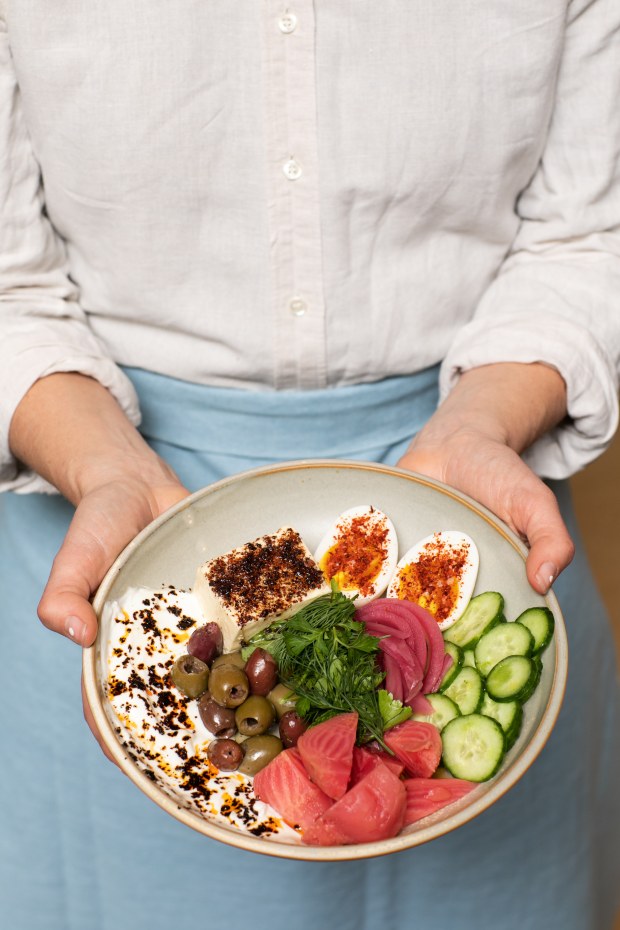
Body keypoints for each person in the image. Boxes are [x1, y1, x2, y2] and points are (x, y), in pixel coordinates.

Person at [1, 3, 619, 929]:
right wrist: (100, 466)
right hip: (107, 504)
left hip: (472, 478)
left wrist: (487, 419)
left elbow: (586, 236)